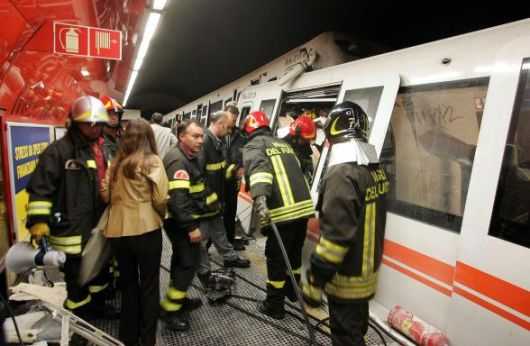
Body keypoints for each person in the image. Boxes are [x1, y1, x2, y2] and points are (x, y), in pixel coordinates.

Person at [303, 101, 389, 346]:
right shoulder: (375, 169)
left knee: (345, 336)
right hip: (367, 272)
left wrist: (314, 282)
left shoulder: (342, 174)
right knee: (356, 327)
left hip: (346, 276)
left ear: (333, 132)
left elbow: (334, 240)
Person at [26, 96, 116, 324]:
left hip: (98, 226)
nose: (95, 127)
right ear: (75, 122)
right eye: (89, 123)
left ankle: (98, 309)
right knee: (77, 282)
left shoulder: (100, 148)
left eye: (98, 123)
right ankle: (78, 323)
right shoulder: (58, 152)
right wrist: (38, 221)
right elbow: (40, 190)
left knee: (99, 272)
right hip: (71, 230)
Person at [241, 110, 315, 320]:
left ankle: (274, 305)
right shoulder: (282, 144)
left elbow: (259, 170)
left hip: (283, 213)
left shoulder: (254, 145)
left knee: (275, 259)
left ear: (249, 129)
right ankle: (292, 291)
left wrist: (261, 197)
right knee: (294, 254)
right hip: (302, 210)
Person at [102, 119, 168, 346]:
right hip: (146, 229)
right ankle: (148, 338)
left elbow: (105, 196)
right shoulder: (152, 161)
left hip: (118, 232)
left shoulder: (115, 163)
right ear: (149, 137)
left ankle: (128, 338)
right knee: (149, 286)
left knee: (129, 285)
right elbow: (160, 198)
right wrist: (161, 214)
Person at [160, 120, 216, 331]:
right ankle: (170, 310)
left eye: (201, 136)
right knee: (187, 264)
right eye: (195, 136)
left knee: (181, 261)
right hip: (181, 223)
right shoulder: (178, 162)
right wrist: (192, 227)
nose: (201, 140)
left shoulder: (189, 157)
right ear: (182, 136)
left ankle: (179, 299)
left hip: (184, 220)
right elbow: (178, 201)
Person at [199, 111, 250, 276]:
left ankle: (229, 257)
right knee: (203, 236)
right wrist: (212, 198)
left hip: (216, 197)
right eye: (227, 127)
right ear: (220, 124)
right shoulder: (205, 142)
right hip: (207, 199)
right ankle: (200, 268)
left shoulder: (217, 142)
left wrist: (231, 170)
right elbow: (198, 175)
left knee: (218, 229)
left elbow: (219, 168)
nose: (229, 131)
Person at [223, 103, 247, 249]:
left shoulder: (241, 135)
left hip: (233, 183)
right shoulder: (216, 133)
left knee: (230, 213)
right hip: (218, 181)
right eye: (231, 118)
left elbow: (242, 154)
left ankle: (229, 242)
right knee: (214, 214)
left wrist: (241, 167)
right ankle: (204, 247)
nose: (233, 121)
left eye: (235, 118)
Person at [283, 113, 317, 185]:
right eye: (305, 139)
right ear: (296, 136)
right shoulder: (284, 149)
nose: (308, 142)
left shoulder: (304, 146)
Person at [100, 95, 124, 160]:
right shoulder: (98, 141)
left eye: (115, 114)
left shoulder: (123, 137)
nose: (113, 117)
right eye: (109, 114)